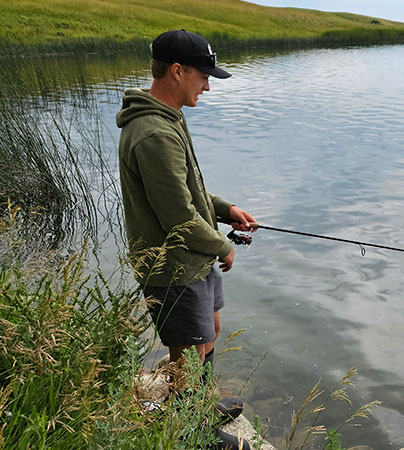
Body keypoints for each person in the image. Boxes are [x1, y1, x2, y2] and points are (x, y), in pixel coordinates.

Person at [117, 29, 255, 449]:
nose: (208, 85)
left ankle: (199, 404)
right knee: (187, 347)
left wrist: (225, 209)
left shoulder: (168, 117)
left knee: (208, 329)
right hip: (172, 263)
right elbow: (178, 216)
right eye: (203, 76)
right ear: (177, 71)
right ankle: (191, 432)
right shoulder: (155, 133)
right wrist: (223, 245)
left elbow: (190, 190)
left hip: (190, 257)